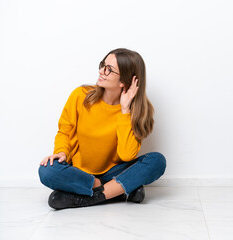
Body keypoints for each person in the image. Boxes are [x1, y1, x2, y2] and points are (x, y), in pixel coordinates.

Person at [38, 48, 166, 210]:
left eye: (109, 69)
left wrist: (125, 111)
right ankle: (119, 190)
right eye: (102, 65)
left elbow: (127, 155)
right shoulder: (80, 95)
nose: (101, 71)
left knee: (157, 161)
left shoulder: (137, 112)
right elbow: (65, 131)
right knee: (47, 171)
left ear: (124, 81)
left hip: (114, 171)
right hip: (79, 172)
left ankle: (93, 197)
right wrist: (62, 152)